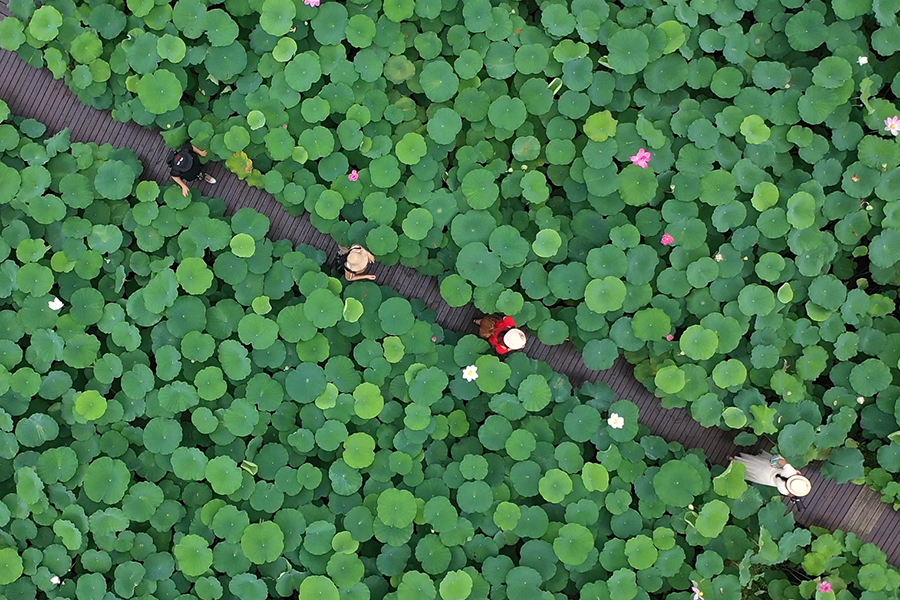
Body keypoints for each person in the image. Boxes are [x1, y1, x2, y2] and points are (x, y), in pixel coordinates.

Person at [730, 451, 812, 500]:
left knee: (750, 463)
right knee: (748, 469)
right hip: (764, 478)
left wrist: (794, 472)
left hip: (767, 468)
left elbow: (780, 460)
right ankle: (733, 462)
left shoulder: (790, 471)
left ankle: (733, 458)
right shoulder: (784, 490)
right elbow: (789, 494)